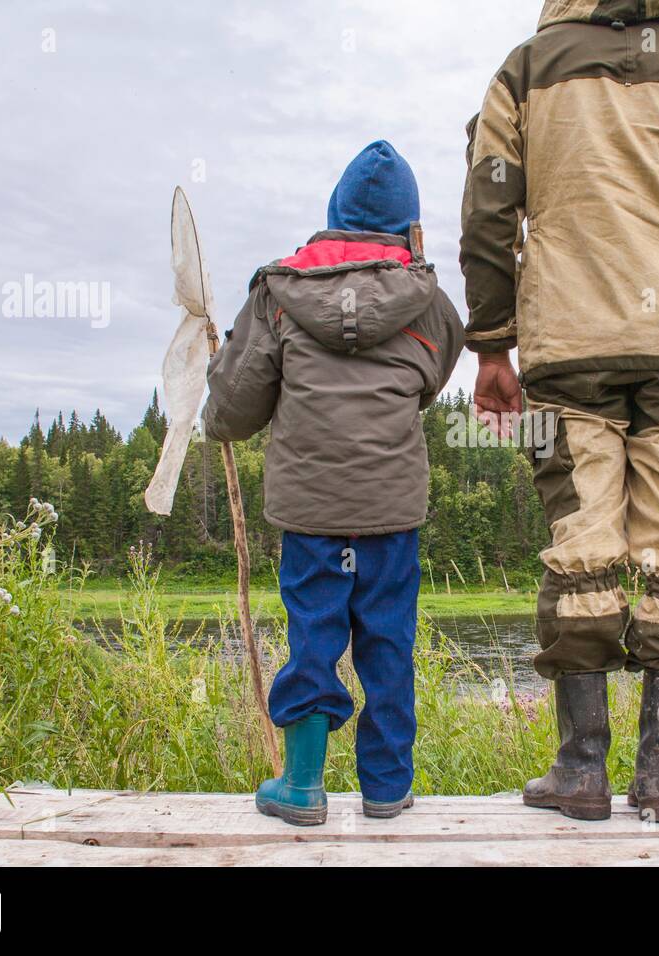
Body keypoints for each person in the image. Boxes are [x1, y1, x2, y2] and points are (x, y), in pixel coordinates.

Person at [460, 0, 659, 822]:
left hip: (570, 344)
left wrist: (494, 343)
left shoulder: (525, 70)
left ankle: (580, 770)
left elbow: (489, 211)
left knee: (582, 543)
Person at [204, 141, 464, 826]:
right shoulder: (431, 302)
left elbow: (232, 413)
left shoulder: (275, 296)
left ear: (333, 217)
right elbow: (427, 383)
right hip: (390, 512)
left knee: (314, 637)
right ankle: (386, 789)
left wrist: (225, 368)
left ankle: (302, 786)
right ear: (409, 228)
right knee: (388, 642)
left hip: (311, 516)